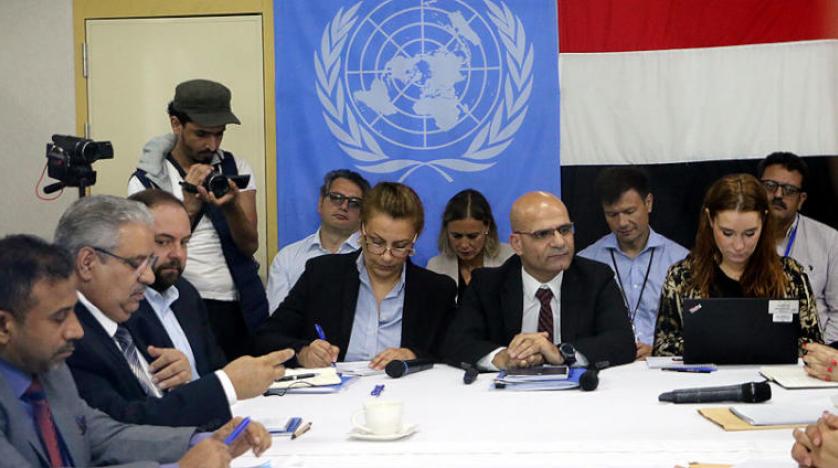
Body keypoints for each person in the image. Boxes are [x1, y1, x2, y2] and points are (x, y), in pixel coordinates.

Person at [0, 234, 271, 468]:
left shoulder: (50, 371)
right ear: (3, 326)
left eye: (73, 311)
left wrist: (200, 440)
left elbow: (100, 435)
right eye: (59, 317)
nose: (77, 330)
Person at [57, 195, 293, 430]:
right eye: (136, 263)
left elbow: (154, 403)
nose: (148, 276)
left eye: (185, 242)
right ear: (87, 263)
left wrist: (186, 383)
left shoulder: (119, 314)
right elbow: (120, 429)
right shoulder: (66, 337)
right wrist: (224, 385)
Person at [128, 78, 266, 360]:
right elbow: (147, 251)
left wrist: (232, 207)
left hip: (240, 301)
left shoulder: (235, 167)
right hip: (183, 301)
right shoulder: (148, 180)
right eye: (202, 134)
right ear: (176, 124)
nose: (211, 145)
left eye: (219, 134)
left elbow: (250, 245)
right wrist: (189, 203)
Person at [252, 182, 457, 370]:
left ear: (415, 238)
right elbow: (266, 337)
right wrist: (303, 353)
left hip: (405, 392)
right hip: (334, 393)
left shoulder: (436, 290)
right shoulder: (323, 274)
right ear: (362, 229)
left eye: (400, 246)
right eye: (376, 242)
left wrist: (415, 356)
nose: (386, 256)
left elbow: (454, 352)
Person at [443, 191, 636, 370]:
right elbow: (455, 343)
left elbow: (622, 342)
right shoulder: (487, 284)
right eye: (542, 234)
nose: (559, 242)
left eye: (565, 230)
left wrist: (561, 353)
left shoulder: (596, 278)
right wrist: (502, 357)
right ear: (517, 244)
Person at [653, 174, 821, 356]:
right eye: (727, 233)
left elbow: (814, 347)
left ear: (764, 221)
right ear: (710, 220)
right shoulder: (682, 277)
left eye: (750, 233)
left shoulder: (790, 276)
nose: (739, 246)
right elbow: (663, 349)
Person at [578, 168, 688, 360]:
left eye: (629, 211)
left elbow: (695, 329)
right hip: (608, 366)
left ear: (648, 203)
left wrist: (659, 350)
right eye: (612, 214)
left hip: (664, 365)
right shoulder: (585, 262)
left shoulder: (682, 261)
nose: (622, 223)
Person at [125, 189, 229, 380]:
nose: (178, 254)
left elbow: (216, 368)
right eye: (163, 242)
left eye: (184, 242)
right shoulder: (122, 304)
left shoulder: (187, 294)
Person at [757, 152, 838, 343]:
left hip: (812, 349)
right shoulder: (739, 235)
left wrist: (818, 351)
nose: (778, 195)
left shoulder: (830, 240)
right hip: (752, 346)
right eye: (770, 186)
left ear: (801, 200)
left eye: (789, 190)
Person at [266, 169, 370, 312]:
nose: (344, 206)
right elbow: (277, 316)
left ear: (363, 213)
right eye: (336, 197)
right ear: (321, 202)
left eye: (354, 203)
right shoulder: (287, 258)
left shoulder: (372, 257)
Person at [426, 189, 514, 302]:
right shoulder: (435, 267)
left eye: (472, 236)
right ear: (446, 230)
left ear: (487, 227)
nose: (464, 245)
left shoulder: (510, 259)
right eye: (456, 236)